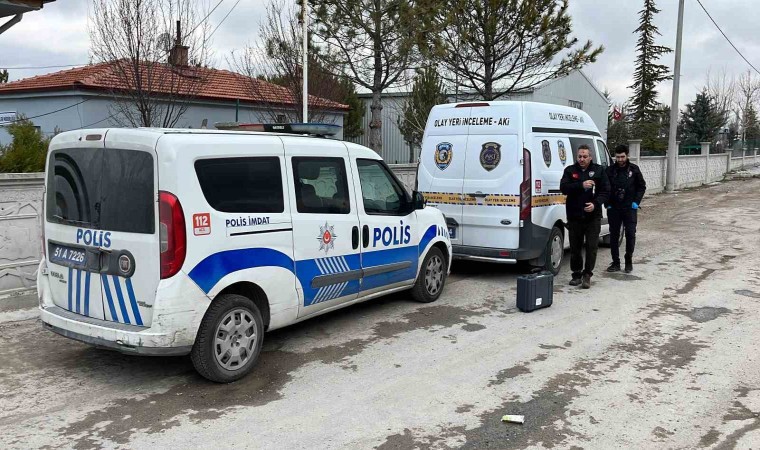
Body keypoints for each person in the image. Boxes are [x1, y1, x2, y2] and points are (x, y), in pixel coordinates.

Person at [560, 144, 610, 289]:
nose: (582, 159)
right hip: (575, 215)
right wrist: (580, 185)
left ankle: (587, 274)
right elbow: (564, 188)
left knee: (591, 247)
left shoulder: (599, 170)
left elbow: (606, 191)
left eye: (585, 156)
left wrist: (595, 204)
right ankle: (576, 274)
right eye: (579, 156)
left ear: (590, 157)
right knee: (575, 247)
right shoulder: (570, 170)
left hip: (593, 216)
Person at [605, 144, 646, 273]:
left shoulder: (634, 170)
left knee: (630, 234)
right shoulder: (610, 171)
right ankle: (615, 262)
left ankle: (628, 259)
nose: (620, 160)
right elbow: (604, 188)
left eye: (622, 157)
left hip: (629, 207)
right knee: (614, 235)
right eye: (618, 157)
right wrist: (607, 203)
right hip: (614, 208)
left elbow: (641, 186)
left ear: (627, 156)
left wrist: (636, 201)